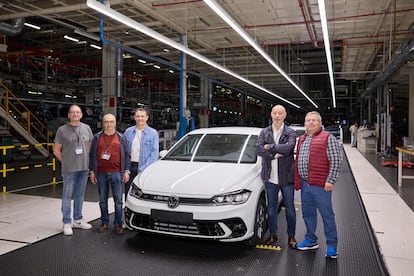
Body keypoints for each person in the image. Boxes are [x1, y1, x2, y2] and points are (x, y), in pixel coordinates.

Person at [294, 111, 342, 259]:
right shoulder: (302, 139)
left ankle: (332, 245)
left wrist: (331, 180)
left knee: (327, 215)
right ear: (305, 124)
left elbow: (336, 160)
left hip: (321, 185)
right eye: (308, 120)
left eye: (314, 120)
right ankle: (311, 240)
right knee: (308, 213)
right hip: (305, 183)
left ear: (320, 123)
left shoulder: (328, 138)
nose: (311, 122)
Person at [256, 105, 297, 248]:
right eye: (275, 113)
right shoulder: (264, 132)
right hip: (270, 177)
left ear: (285, 115)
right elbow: (258, 149)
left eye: (280, 113)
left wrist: (270, 146)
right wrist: (275, 155)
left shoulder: (291, 132)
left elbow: (289, 148)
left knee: (290, 209)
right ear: (271, 115)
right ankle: (273, 235)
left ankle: (291, 236)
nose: (277, 115)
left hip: (286, 178)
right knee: (271, 209)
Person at [53, 105, 93, 236]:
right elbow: (56, 150)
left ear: (81, 115)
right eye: (72, 112)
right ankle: (66, 222)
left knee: (80, 195)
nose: (75, 114)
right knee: (67, 195)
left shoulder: (86, 128)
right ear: (69, 115)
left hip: (84, 168)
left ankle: (78, 219)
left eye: (77, 112)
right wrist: (65, 162)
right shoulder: (62, 130)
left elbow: (90, 146)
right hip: (69, 169)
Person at [89, 113, 131, 235]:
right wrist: (92, 171)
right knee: (102, 200)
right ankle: (104, 222)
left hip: (117, 173)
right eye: (106, 122)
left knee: (118, 201)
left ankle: (118, 224)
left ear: (115, 123)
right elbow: (92, 156)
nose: (109, 124)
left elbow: (127, 155)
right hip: (101, 174)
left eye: (111, 122)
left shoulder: (121, 138)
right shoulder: (97, 137)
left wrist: (126, 171)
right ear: (103, 123)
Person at [124, 108, 159, 200]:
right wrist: (125, 169)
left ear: (147, 117)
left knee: (142, 193)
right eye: (138, 116)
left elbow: (154, 154)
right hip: (129, 166)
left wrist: (143, 169)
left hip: (144, 166)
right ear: (135, 117)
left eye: (142, 116)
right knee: (128, 192)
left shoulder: (153, 133)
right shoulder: (128, 132)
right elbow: (124, 151)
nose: (140, 119)